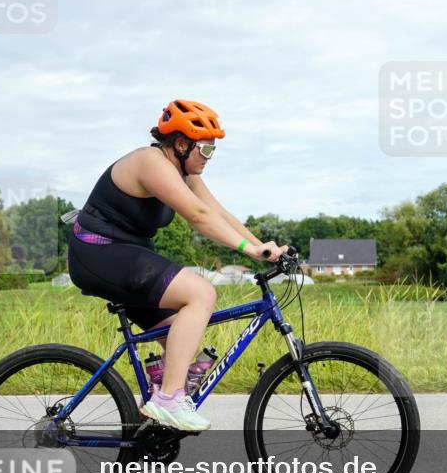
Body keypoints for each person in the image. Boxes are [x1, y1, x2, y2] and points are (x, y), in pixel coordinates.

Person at [67, 99, 288, 431]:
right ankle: (169, 399)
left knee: (179, 337)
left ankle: (159, 398)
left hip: (125, 254)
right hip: (98, 252)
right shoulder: (150, 162)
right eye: (206, 150)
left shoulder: (185, 171)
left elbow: (218, 213)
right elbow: (199, 218)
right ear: (181, 144)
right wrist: (250, 251)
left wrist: (262, 247)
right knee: (200, 294)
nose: (209, 157)